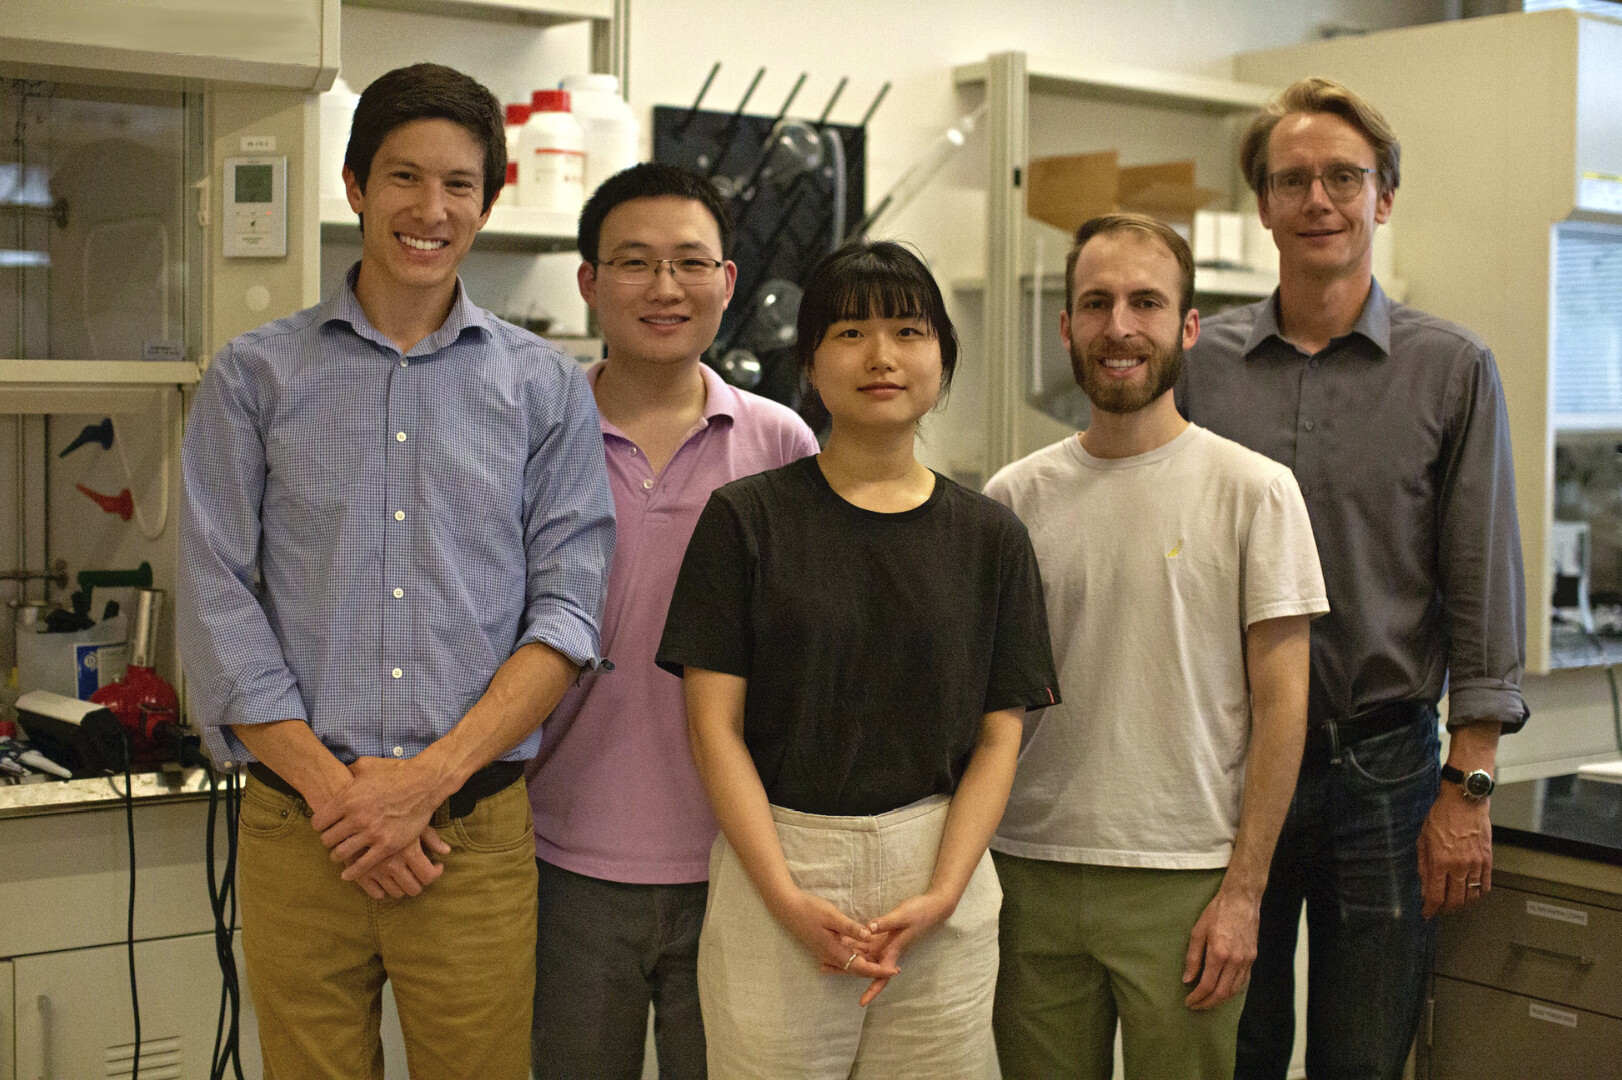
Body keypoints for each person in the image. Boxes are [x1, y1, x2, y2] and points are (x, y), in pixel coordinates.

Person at [177, 63, 614, 1079]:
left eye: (458, 184)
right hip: (302, 827)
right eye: (404, 178)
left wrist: (425, 783)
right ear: (354, 186)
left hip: (469, 836)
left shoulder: (544, 388)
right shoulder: (256, 376)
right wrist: (349, 801)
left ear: (488, 201)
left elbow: (568, 611)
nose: (430, 209)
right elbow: (215, 600)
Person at [1181, 77, 1528, 1080]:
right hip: (1228, 763)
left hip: (1381, 766)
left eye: (1342, 176)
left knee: (1362, 1053)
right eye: (1291, 179)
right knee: (1226, 1045)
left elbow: (1477, 582)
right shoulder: (1200, 369)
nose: (1316, 199)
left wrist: (1466, 784)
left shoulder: (1450, 369)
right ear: (1261, 206)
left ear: (1382, 197)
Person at [656, 240, 1059, 1079]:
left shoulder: (991, 537)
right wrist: (787, 898)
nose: (882, 356)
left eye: (909, 330)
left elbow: (999, 735)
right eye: (850, 332)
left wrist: (944, 893)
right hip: (782, 865)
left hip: (938, 866)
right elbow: (713, 731)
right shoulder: (746, 521)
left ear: (943, 355)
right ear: (809, 361)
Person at [986, 214, 1326, 1080]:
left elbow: (1285, 704)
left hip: (1185, 878)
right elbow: (989, 705)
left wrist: (1244, 894)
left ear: (1187, 327)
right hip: (1030, 870)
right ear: (1066, 327)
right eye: (1095, 304)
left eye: (1146, 302)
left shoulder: (1255, 492)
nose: (1119, 328)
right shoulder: (1014, 497)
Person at [525, 162, 819, 1079]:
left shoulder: (784, 447)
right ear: (588, 283)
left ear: (728, 283)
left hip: (741, 865)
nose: (663, 288)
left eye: (690, 263)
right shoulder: (530, 432)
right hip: (557, 860)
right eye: (634, 262)